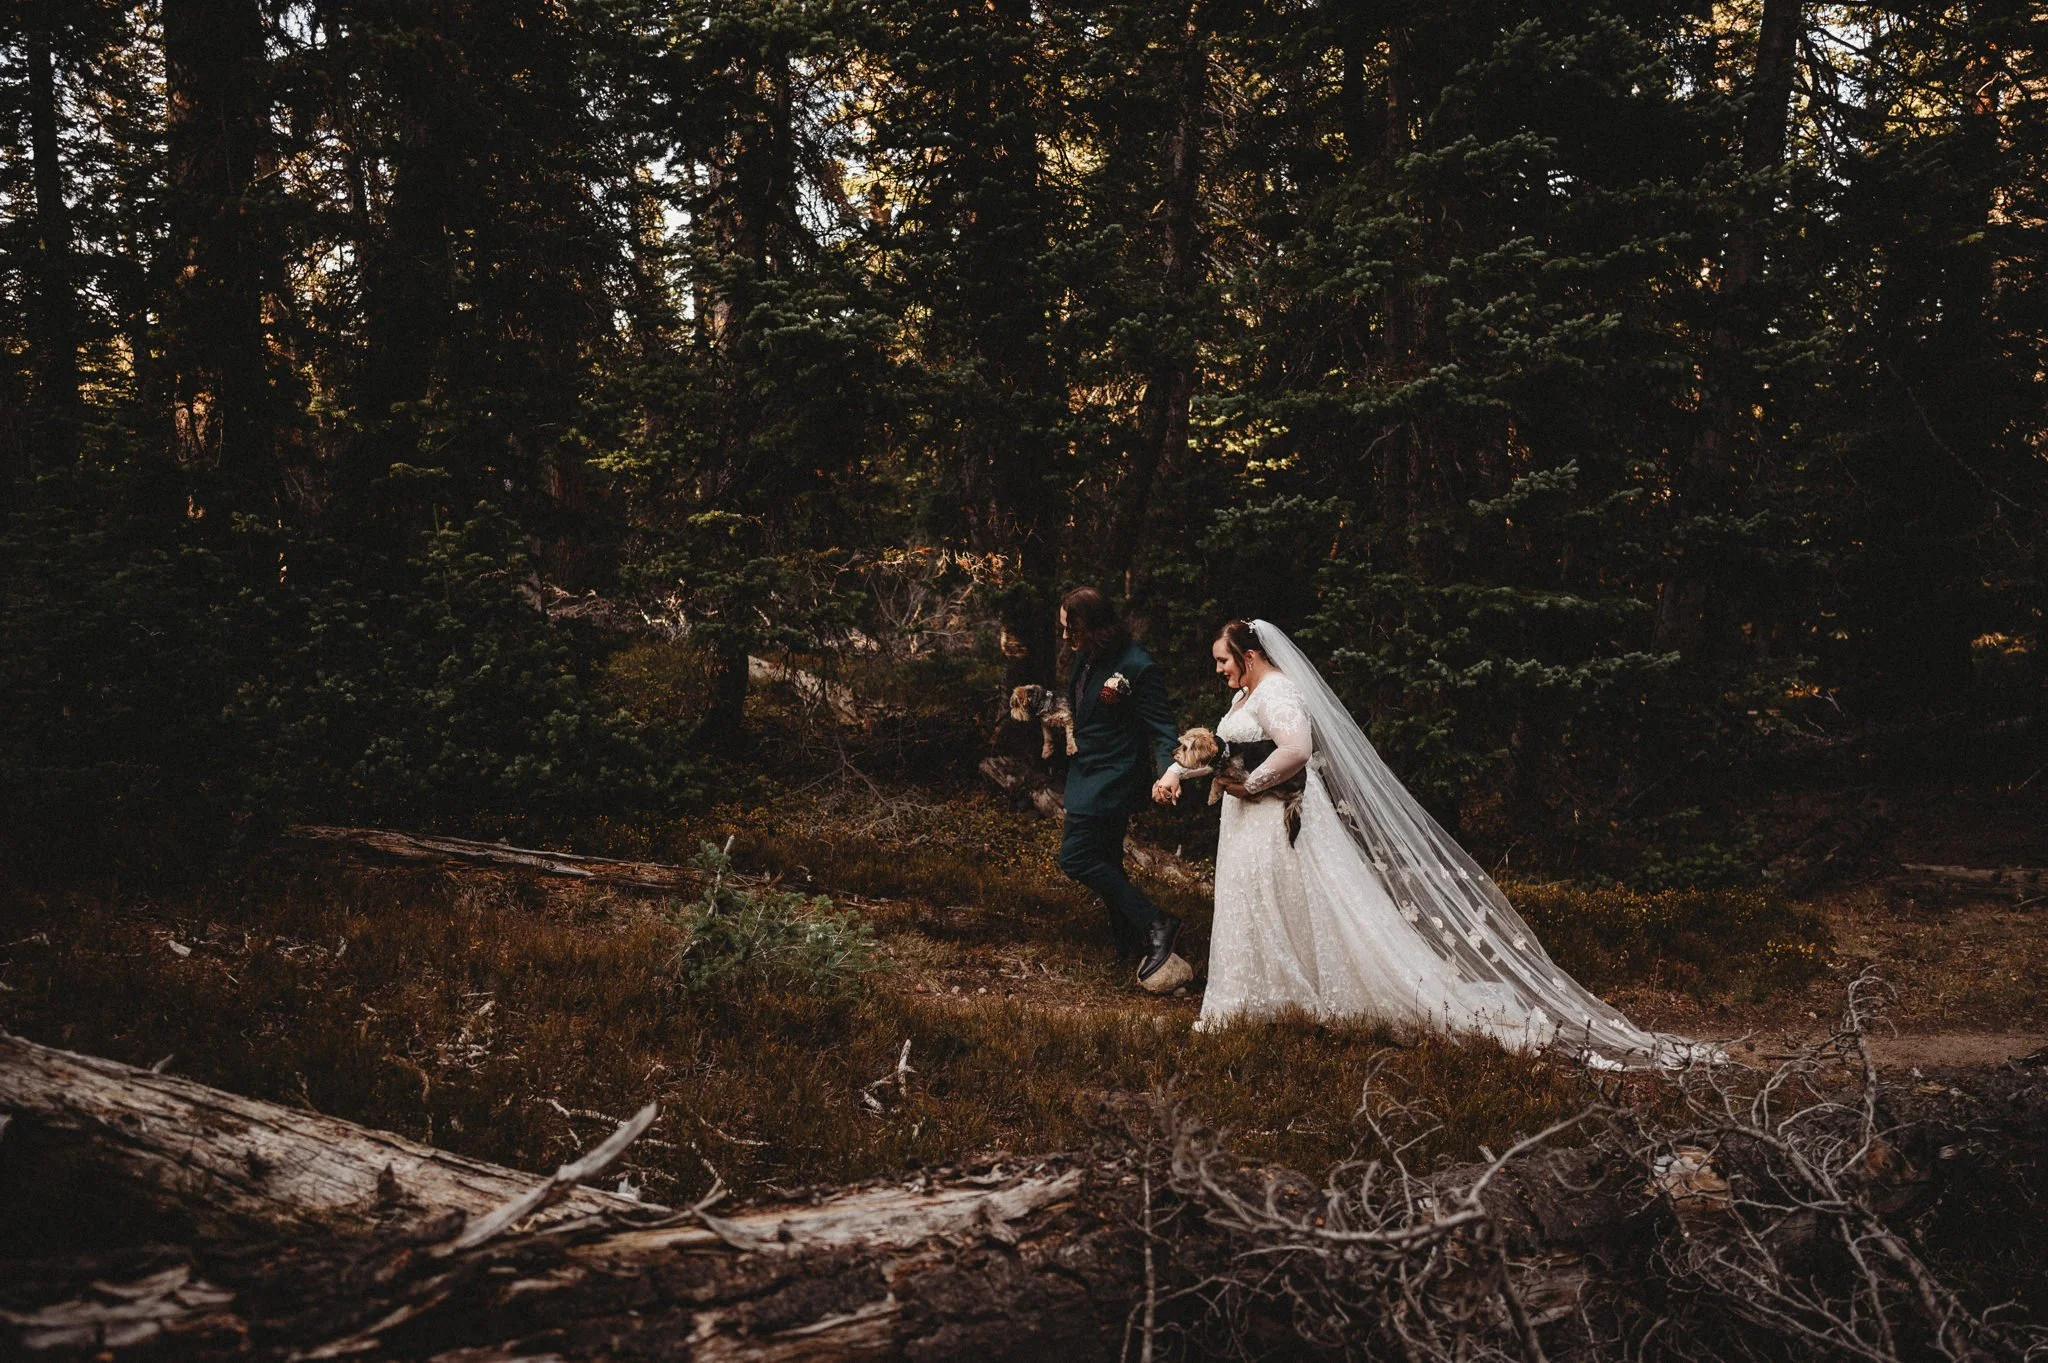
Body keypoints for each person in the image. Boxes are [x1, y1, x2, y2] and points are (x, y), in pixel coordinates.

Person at [1153, 618, 1713, 1067]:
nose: (1220, 670)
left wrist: (1252, 785)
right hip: (1249, 825)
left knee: (1303, 902)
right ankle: (1266, 1001)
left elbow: (1296, 749)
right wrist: (1179, 774)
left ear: (1249, 655)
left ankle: (1304, 999)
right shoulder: (1244, 697)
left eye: (1224, 660)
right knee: (1260, 904)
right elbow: (1223, 753)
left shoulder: (1276, 692)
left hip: (1279, 818)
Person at [1053, 587, 1187, 989]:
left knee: (1074, 858)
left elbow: (1163, 728)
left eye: (1070, 629)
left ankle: (1156, 922)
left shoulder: (1137, 666)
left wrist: (1170, 772)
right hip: (1085, 772)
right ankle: (1128, 942)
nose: (1065, 637)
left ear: (1094, 627)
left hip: (1112, 781)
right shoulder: (1086, 656)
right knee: (1107, 860)